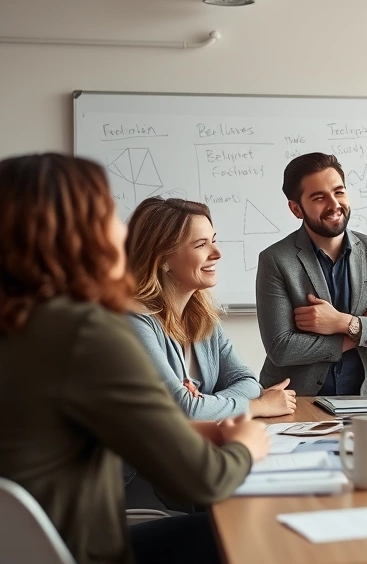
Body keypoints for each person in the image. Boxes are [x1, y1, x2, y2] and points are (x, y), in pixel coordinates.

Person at [0, 153, 269, 564]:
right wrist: (247, 445)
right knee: (242, 530)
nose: (121, 232)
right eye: (109, 213)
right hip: (84, 552)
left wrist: (205, 432)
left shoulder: (23, 323)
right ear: (80, 233)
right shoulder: (85, 330)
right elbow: (205, 480)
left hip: (26, 551)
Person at [126, 197, 296, 420]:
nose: (217, 253)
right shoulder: (134, 321)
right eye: (200, 244)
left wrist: (205, 406)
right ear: (163, 259)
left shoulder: (201, 316)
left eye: (213, 240)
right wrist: (257, 406)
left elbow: (248, 383)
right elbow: (181, 411)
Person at [256, 152, 367, 396]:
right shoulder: (275, 260)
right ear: (297, 209)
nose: (334, 204)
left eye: (339, 192)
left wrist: (341, 322)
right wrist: (356, 334)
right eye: (319, 197)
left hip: (364, 400)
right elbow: (282, 348)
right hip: (296, 400)